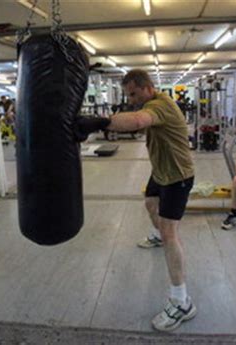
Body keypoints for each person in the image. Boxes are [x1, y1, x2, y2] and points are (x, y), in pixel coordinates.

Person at [75, 69, 196, 332]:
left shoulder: (160, 105)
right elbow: (133, 115)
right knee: (150, 203)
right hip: (161, 171)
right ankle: (156, 235)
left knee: (170, 234)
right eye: (127, 94)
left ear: (146, 87)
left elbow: (139, 120)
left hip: (177, 176)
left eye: (133, 93)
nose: (130, 99)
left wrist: (99, 122)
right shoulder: (151, 101)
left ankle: (182, 301)